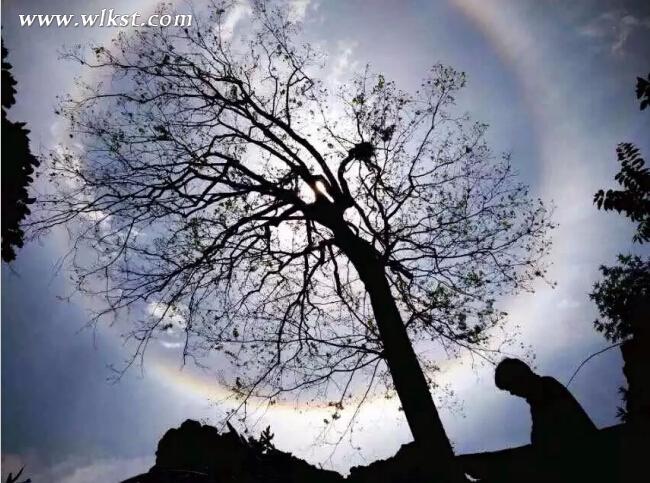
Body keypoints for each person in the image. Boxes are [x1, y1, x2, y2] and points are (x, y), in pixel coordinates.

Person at [494, 358, 600, 482]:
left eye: (509, 385)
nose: (512, 392)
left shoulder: (546, 388)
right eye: (508, 388)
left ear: (520, 373)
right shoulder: (538, 402)